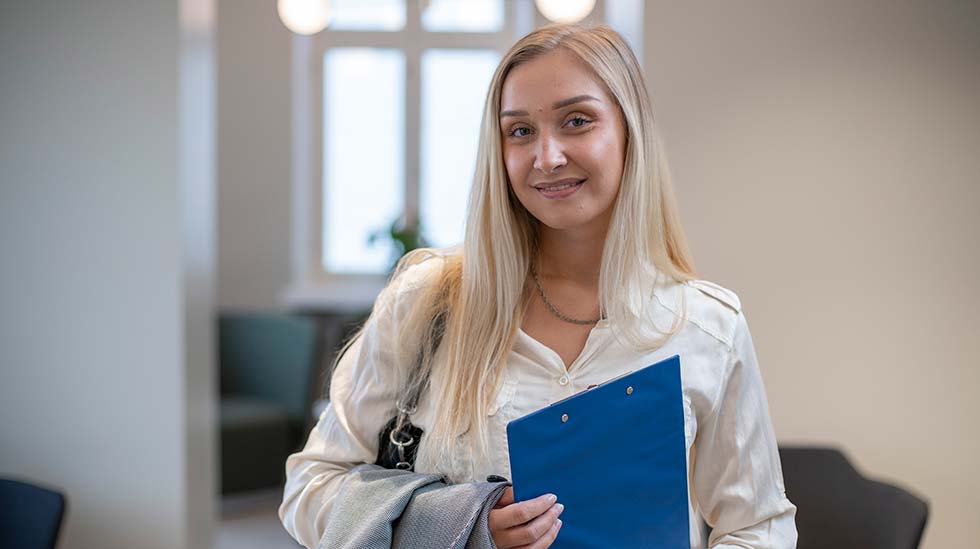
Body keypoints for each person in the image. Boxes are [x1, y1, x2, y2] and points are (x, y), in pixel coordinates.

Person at [280, 24, 797, 549]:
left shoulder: (707, 327)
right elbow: (309, 489)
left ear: (629, 131)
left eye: (577, 121)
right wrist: (456, 526)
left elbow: (757, 526)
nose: (546, 157)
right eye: (520, 131)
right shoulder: (426, 304)